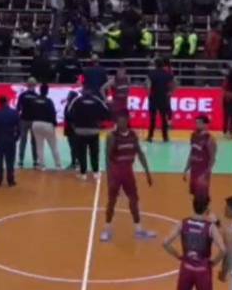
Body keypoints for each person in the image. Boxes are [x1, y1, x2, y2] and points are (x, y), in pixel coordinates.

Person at [101, 112, 156, 242]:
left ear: (127, 120)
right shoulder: (112, 136)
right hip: (116, 173)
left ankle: (138, 230)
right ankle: (107, 229)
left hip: (128, 173)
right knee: (112, 201)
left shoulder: (133, 135)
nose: (121, 123)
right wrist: (109, 177)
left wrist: (147, 172)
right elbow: (108, 158)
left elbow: (140, 154)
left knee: (134, 201)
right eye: (118, 121)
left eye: (123, 121)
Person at [66, 85, 110, 180]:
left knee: (82, 153)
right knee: (94, 152)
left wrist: (75, 124)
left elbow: (68, 113)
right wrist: (99, 121)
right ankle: (95, 172)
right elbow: (107, 112)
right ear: (91, 91)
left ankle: (83, 173)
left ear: (83, 91)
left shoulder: (76, 100)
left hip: (80, 130)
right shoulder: (97, 100)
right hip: (94, 130)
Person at [183, 115, 217, 201]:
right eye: (196, 123)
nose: (197, 125)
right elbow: (192, 152)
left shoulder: (210, 139)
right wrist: (186, 169)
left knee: (203, 196)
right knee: (195, 195)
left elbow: (212, 157)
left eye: (199, 123)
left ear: (206, 124)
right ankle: (198, 213)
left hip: (202, 171)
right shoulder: (193, 135)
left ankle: (206, 212)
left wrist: (207, 173)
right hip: (194, 170)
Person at [0, 96, 20, 187]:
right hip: (10, 139)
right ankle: (10, 180)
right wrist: (16, 138)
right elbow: (18, 128)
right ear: (7, 102)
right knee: (10, 161)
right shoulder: (14, 113)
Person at [30, 83, 62, 170]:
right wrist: (54, 124)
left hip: (36, 124)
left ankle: (42, 165)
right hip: (47, 124)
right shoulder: (49, 101)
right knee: (53, 146)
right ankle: (58, 165)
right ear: (47, 91)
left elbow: (31, 113)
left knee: (39, 146)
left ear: (40, 90)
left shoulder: (34, 101)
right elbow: (53, 113)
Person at [146, 58, 175, 142]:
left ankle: (150, 137)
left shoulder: (151, 74)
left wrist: (149, 92)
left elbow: (148, 85)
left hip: (153, 98)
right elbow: (174, 84)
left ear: (155, 65)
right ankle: (165, 137)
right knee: (163, 119)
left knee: (152, 119)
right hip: (163, 98)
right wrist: (170, 92)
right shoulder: (167, 74)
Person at [16, 78, 39, 168]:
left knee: (23, 141)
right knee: (34, 141)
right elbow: (39, 109)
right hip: (33, 120)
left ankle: (21, 160)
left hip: (23, 120)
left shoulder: (22, 95)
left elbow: (18, 108)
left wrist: (17, 120)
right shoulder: (37, 96)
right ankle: (35, 161)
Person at [64, 90, 79, 170]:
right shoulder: (68, 106)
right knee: (73, 147)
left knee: (74, 147)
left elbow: (72, 119)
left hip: (73, 130)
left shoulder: (74, 107)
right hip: (69, 129)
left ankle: (74, 163)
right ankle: (76, 162)